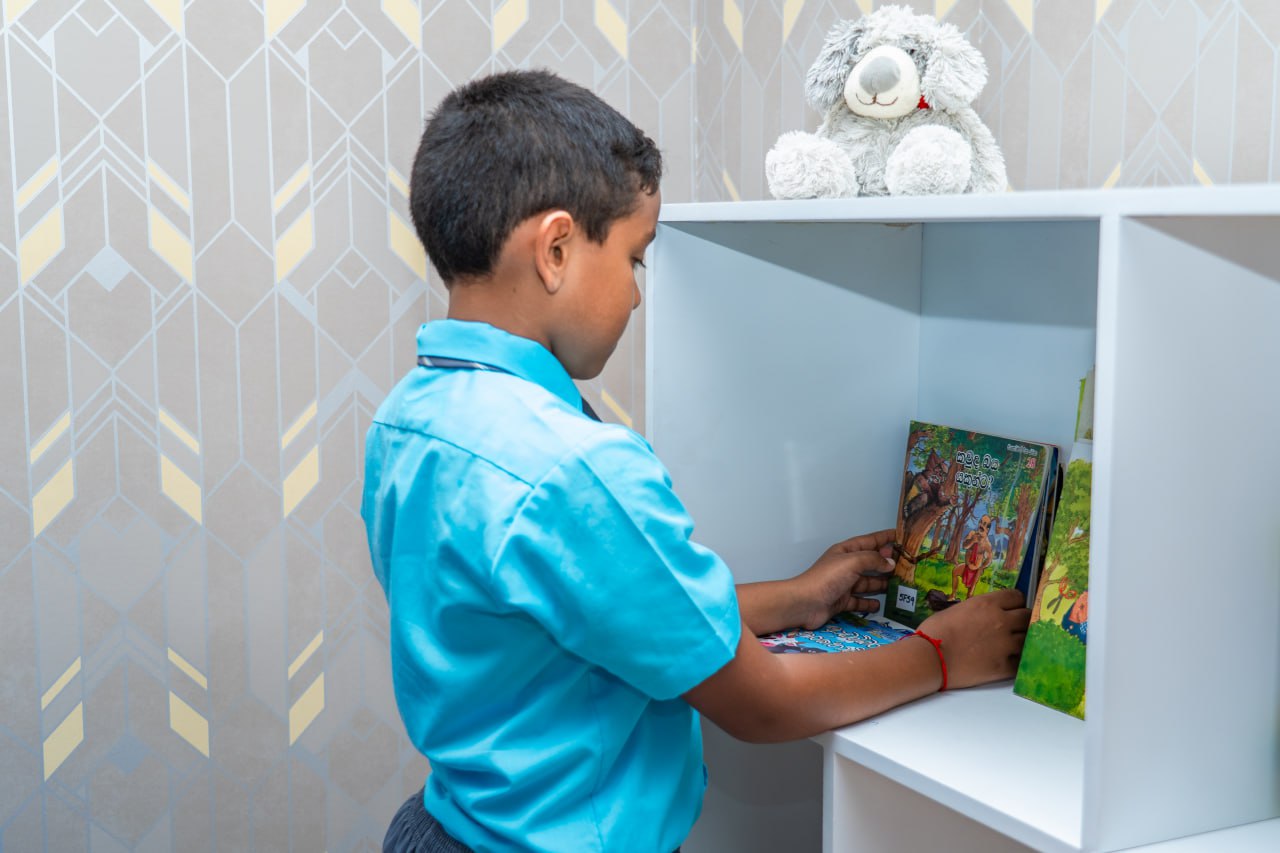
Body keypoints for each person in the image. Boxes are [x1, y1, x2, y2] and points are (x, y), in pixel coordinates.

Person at [361, 69, 1030, 853]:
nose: (639, 296)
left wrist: (797, 598)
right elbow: (764, 705)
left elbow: (583, 615)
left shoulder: (409, 417)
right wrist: (941, 656)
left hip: (444, 828)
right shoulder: (578, 469)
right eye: (636, 259)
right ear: (556, 249)